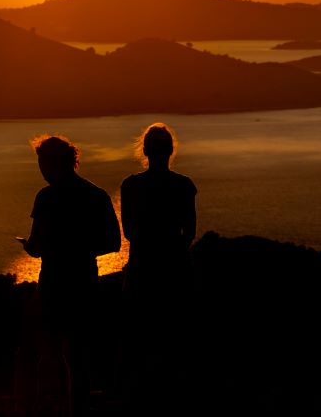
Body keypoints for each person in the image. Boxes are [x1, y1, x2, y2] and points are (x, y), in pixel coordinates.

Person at [20, 134, 121, 417]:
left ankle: (45, 407)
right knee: (78, 357)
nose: (40, 170)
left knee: (47, 354)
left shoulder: (46, 198)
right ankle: (76, 408)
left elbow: (36, 247)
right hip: (85, 282)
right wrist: (82, 246)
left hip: (53, 285)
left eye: (42, 163)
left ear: (56, 163)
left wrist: (32, 247)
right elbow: (113, 242)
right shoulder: (96, 195)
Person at [117, 122, 197, 412]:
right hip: (176, 271)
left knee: (140, 340)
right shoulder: (184, 186)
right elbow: (189, 231)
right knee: (174, 340)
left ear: (145, 151)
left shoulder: (130, 186)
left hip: (141, 271)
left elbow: (129, 233)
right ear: (170, 151)